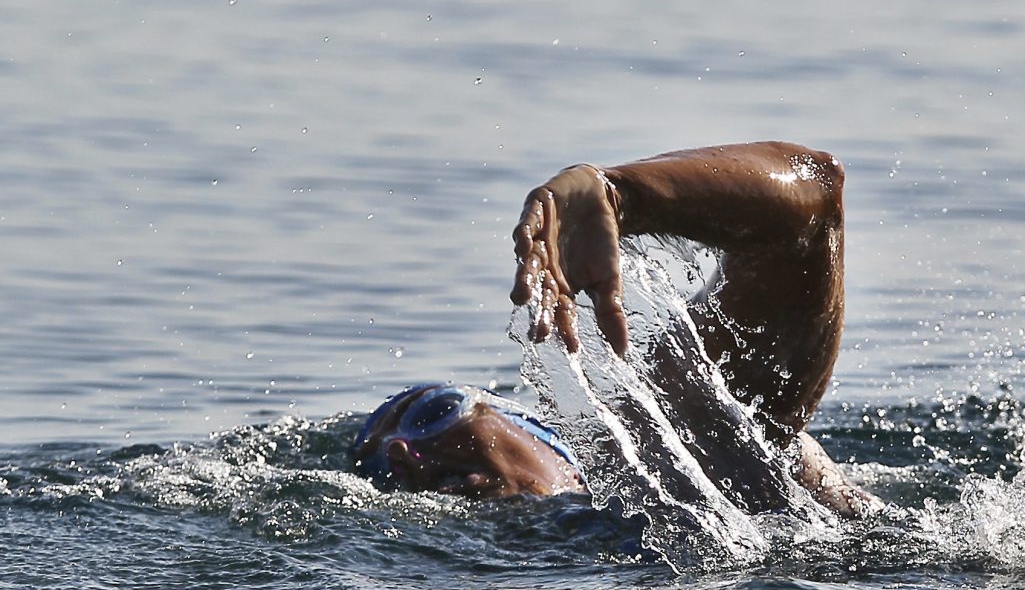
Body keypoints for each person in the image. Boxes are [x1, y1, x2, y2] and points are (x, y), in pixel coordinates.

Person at [350, 142, 878, 516]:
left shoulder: (668, 436)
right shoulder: (543, 565)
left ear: (546, 439)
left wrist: (620, 195)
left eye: (432, 414)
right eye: (376, 468)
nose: (398, 453)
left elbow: (810, 201)